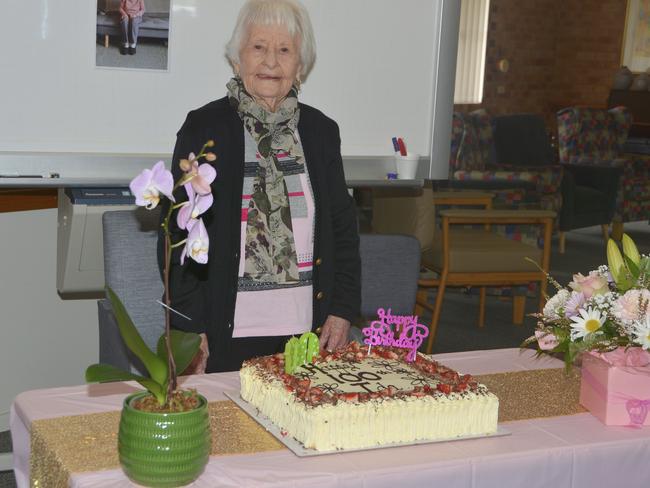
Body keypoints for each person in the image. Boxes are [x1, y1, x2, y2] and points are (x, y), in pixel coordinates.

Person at [159, 0, 361, 373]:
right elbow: (179, 231)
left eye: (284, 50)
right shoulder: (204, 128)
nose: (271, 61)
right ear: (238, 60)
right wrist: (191, 326)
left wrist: (342, 310)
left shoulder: (321, 133)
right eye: (258, 47)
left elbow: (342, 230)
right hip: (224, 334)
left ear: (300, 67)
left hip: (307, 333)